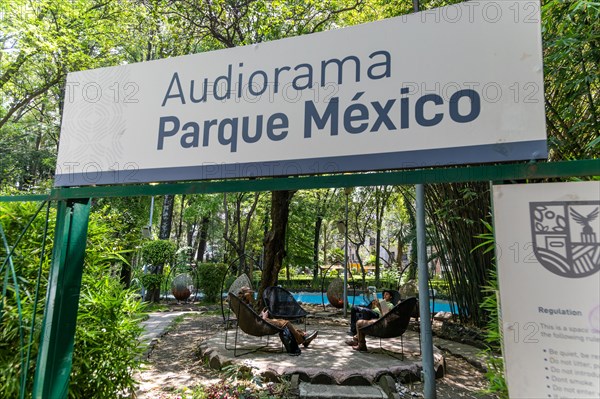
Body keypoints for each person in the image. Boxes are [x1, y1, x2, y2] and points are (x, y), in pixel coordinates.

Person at [237, 286, 318, 348]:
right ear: (246, 295)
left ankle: (303, 337)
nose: (252, 295)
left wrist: (261, 316)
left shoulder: (243, 306)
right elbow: (253, 322)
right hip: (259, 326)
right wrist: (264, 317)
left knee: (282, 322)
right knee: (285, 323)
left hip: (258, 323)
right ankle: (302, 339)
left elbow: (251, 319)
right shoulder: (245, 307)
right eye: (250, 293)